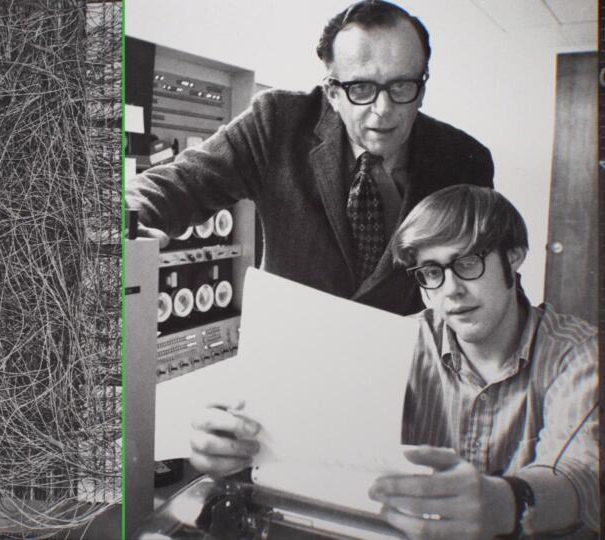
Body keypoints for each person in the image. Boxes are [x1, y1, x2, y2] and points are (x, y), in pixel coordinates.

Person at [189, 186, 598, 538]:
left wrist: (506, 504)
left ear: (514, 258)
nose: (451, 290)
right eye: (432, 272)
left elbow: (585, 479)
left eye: (469, 263)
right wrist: (235, 446)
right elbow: (307, 432)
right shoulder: (388, 345)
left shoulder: (580, 354)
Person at [125, 0, 494, 315]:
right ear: (332, 92)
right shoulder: (276, 123)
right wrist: (124, 217)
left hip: (410, 370)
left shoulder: (464, 159)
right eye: (361, 88)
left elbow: (489, 271)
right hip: (290, 357)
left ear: (422, 86)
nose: (383, 110)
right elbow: (183, 182)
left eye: (401, 86)